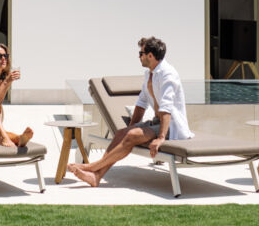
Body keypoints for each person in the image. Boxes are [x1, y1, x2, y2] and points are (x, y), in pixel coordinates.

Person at [68, 36, 194, 186]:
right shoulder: (149, 74)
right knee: (122, 133)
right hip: (157, 122)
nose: (139, 57)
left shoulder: (168, 74)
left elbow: (166, 108)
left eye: (141, 53)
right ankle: (97, 176)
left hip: (170, 127)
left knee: (132, 136)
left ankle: (91, 167)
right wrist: (131, 126)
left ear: (150, 56)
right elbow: (141, 103)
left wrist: (161, 138)